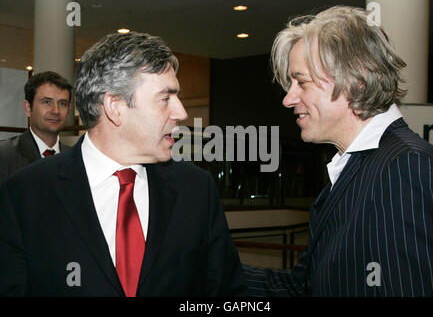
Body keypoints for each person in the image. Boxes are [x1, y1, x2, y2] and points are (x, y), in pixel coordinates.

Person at [0, 32, 247, 296]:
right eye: (165, 98)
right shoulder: (23, 195)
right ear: (114, 107)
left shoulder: (197, 189)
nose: (181, 112)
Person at [243, 6, 433, 297]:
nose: (289, 99)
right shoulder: (356, 168)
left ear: (355, 79)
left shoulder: (404, 167)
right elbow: (306, 287)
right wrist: (208, 267)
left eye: (301, 82)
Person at [0, 71, 72, 181]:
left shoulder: (76, 158)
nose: (56, 111)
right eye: (47, 102)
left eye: (62, 103)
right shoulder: (4, 155)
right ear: (28, 108)